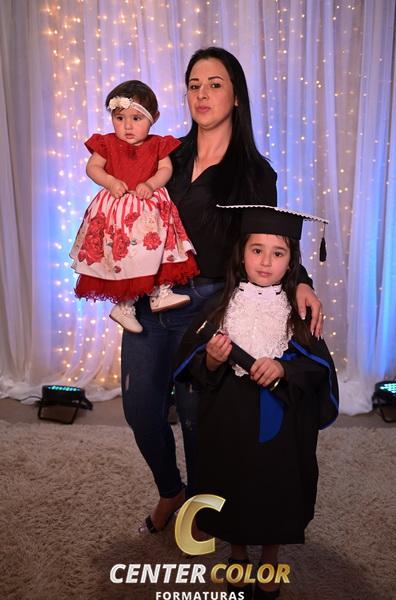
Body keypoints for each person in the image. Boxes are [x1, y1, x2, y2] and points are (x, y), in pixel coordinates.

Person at [120, 47, 324, 535]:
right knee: (140, 411)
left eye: (215, 84)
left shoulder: (255, 171)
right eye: (194, 85)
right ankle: (171, 490)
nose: (202, 94)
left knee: (197, 418)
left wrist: (302, 281)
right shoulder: (165, 153)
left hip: (209, 305)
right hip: (151, 299)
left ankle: (202, 508)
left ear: (235, 96)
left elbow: (267, 240)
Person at [174, 205, 339, 599]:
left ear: (291, 260)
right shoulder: (221, 307)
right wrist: (212, 360)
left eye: (278, 253)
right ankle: (237, 555)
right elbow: (191, 364)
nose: (266, 262)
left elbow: (318, 366)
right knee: (229, 483)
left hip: (281, 422)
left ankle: (269, 557)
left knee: (276, 488)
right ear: (241, 254)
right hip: (228, 415)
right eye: (257, 250)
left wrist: (284, 368)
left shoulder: (299, 311)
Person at [70, 80, 198, 333]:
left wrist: (151, 184)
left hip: (149, 209)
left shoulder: (158, 144)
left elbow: (165, 169)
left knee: (159, 248)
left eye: (136, 118)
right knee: (124, 256)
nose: (127, 126)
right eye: (119, 118)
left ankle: (161, 292)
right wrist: (110, 181)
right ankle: (124, 305)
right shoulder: (107, 143)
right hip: (118, 211)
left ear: (154, 118)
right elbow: (92, 167)